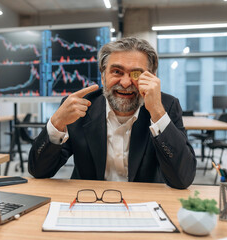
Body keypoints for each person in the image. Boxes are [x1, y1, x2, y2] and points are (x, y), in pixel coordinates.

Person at [28, 36, 196, 189]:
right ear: (103, 77)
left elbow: (182, 179)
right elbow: (39, 171)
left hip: (144, 204)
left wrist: (158, 113)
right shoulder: (79, 107)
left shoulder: (166, 106)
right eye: (117, 72)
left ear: (151, 78)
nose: (125, 82)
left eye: (136, 74)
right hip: (89, 201)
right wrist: (56, 123)